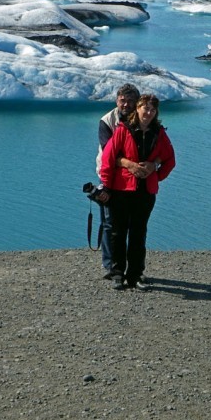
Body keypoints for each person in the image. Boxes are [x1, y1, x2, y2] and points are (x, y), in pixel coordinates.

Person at [99, 94, 175, 291]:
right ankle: (117, 273)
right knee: (118, 232)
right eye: (145, 108)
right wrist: (107, 186)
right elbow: (108, 159)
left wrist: (155, 173)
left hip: (145, 191)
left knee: (138, 234)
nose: (148, 113)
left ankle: (135, 275)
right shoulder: (123, 131)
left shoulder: (159, 133)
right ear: (137, 109)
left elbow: (170, 159)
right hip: (121, 190)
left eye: (152, 110)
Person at [95, 84, 140, 279]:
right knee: (110, 223)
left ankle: (132, 269)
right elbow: (109, 153)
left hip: (135, 180)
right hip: (110, 177)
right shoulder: (107, 121)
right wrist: (131, 164)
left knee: (134, 225)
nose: (126, 104)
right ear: (117, 100)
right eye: (123, 100)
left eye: (130, 101)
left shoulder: (143, 120)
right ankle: (110, 266)